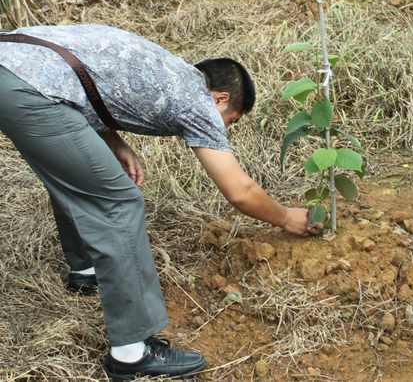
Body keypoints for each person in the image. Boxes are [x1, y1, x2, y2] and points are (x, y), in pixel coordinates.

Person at [0, 23, 319, 381]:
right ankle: (131, 353)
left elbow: (88, 78)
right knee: (119, 203)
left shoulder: (170, 71)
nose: (224, 129)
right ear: (220, 99)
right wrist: (287, 217)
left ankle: (86, 270)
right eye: (231, 121)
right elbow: (240, 192)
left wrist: (114, 142)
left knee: (84, 178)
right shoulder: (198, 102)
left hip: (13, 67)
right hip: (30, 87)